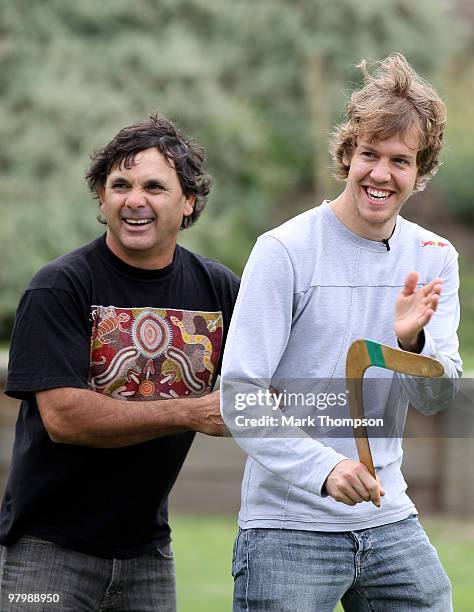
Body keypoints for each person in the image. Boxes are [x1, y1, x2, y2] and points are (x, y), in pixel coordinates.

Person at [221, 53, 462, 611]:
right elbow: (240, 396)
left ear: (419, 170)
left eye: (400, 160)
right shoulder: (283, 251)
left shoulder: (435, 257)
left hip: (388, 519)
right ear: (347, 155)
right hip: (286, 528)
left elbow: (438, 394)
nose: (381, 173)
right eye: (369, 154)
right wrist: (325, 469)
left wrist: (409, 346)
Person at [0, 113, 239, 611]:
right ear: (103, 199)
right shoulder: (60, 286)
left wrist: (397, 336)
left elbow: (283, 373)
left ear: (188, 201)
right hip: (46, 553)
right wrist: (191, 412)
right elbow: (65, 418)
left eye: (155, 186)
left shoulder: (218, 290)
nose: (135, 199)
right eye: (120, 185)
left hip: (148, 555)